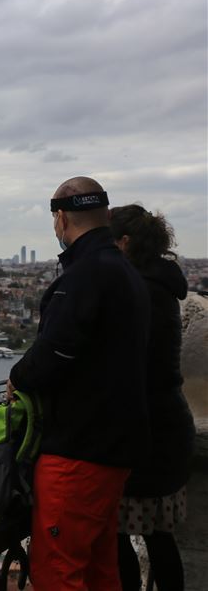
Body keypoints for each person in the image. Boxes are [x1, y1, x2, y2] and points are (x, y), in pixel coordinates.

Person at [7, 177, 151, 590]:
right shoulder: (124, 272)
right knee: (99, 566)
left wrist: (18, 376)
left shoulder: (84, 276)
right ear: (106, 216)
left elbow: (56, 353)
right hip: (114, 446)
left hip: (78, 450)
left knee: (60, 570)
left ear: (61, 218)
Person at [110, 204, 195, 591]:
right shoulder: (160, 285)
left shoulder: (136, 290)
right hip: (167, 423)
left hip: (143, 430)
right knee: (159, 538)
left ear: (124, 243)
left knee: (117, 536)